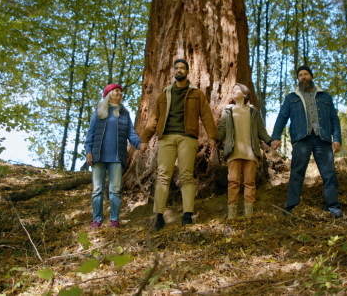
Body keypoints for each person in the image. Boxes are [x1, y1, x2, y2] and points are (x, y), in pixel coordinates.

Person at [140, 59, 217, 230]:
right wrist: (144, 140)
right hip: (166, 138)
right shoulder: (165, 94)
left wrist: (212, 136)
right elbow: (153, 120)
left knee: (186, 176)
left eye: (183, 68)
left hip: (187, 138)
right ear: (173, 72)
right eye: (177, 68)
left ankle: (187, 215)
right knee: (163, 175)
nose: (179, 70)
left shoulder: (196, 94)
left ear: (187, 71)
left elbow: (206, 116)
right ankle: (158, 216)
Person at [270, 65, 344, 218]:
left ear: (311, 76)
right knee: (297, 173)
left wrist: (337, 138)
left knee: (329, 173)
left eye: (306, 74)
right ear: (298, 79)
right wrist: (276, 137)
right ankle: (291, 207)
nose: (303, 77)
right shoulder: (291, 97)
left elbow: (334, 119)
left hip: (322, 138)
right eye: (300, 75)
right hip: (301, 140)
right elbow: (282, 117)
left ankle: (334, 207)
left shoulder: (325, 96)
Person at [85, 84, 141, 229]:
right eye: (116, 90)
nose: (120, 93)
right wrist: (88, 151)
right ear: (109, 93)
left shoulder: (124, 113)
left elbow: (131, 133)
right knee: (97, 190)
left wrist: (140, 144)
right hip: (98, 156)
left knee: (115, 190)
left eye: (121, 91)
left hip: (117, 157)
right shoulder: (99, 111)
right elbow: (90, 133)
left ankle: (114, 220)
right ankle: (97, 219)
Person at [217, 83, 271, 219]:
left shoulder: (253, 111)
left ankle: (248, 214)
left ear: (245, 94)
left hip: (251, 152)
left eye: (237, 90)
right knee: (233, 182)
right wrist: (213, 138)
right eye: (233, 90)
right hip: (233, 151)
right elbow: (221, 130)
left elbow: (260, 130)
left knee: (250, 182)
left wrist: (271, 141)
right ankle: (232, 214)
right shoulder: (228, 110)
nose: (233, 92)